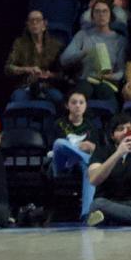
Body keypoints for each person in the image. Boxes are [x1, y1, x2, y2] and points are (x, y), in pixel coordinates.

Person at [49, 88, 104, 221]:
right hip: (61, 163)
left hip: (80, 163)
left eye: (81, 102)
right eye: (74, 102)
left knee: (89, 170)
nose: (78, 105)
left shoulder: (91, 126)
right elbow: (52, 150)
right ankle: (81, 157)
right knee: (59, 143)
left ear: (85, 106)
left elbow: (98, 151)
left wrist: (93, 147)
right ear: (67, 105)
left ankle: (86, 214)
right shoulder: (59, 124)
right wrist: (79, 149)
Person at [61, 0, 128, 101]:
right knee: (82, 92)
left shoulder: (119, 40)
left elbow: (121, 71)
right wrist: (84, 52)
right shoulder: (82, 35)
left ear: (111, 16)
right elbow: (64, 59)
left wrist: (111, 76)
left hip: (107, 81)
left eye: (105, 11)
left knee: (104, 91)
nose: (101, 15)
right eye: (97, 11)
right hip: (86, 79)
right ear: (92, 17)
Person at [6, 9, 65, 108]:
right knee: (19, 101)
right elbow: (8, 68)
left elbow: (62, 73)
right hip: (25, 86)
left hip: (47, 86)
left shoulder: (55, 45)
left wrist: (50, 75)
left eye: (38, 20)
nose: (34, 23)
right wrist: (27, 69)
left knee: (59, 99)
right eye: (31, 20)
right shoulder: (19, 44)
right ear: (27, 25)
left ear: (44, 24)